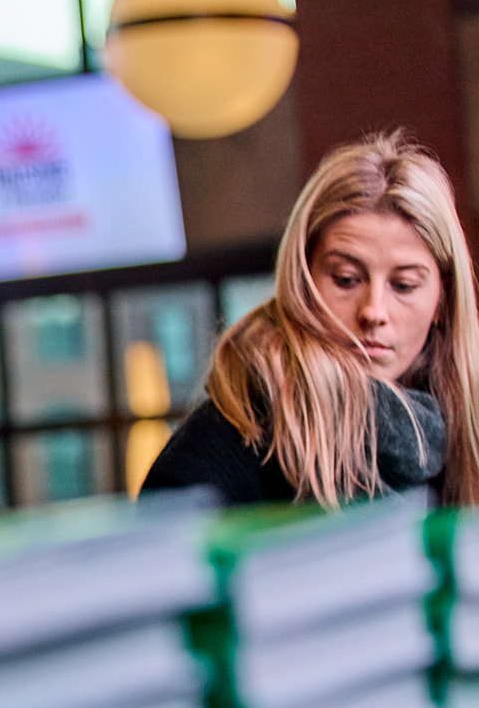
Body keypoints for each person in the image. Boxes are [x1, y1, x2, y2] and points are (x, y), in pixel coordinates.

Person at [142, 130, 479, 508]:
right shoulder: (224, 445)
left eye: (404, 285)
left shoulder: (458, 430)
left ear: (443, 299)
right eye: (346, 280)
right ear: (302, 282)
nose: (374, 312)